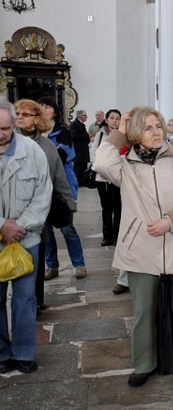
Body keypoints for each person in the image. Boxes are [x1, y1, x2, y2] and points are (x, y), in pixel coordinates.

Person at [93, 106, 173, 387]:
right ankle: (144, 363)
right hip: (141, 247)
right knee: (143, 310)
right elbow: (101, 163)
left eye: (158, 126)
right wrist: (119, 131)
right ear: (135, 135)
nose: (156, 133)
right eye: (147, 128)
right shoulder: (126, 165)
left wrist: (171, 221)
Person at [0, 98, 53, 374]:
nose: (1, 134)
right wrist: (2, 226)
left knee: (25, 298)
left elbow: (43, 193)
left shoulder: (32, 151)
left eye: (6, 128)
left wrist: (19, 226)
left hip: (26, 238)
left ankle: (23, 352)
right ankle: (1, 352)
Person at [14, 99, 76, 312]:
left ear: (38, 119)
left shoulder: (46, 146)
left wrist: (69, 203)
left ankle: (35, 300)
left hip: (37, 213)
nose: (20, 116)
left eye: (26, 113)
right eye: (17, 112)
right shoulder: (7, 142)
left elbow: (58, 177)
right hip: (9, 213)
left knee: (35, 257)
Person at [37, 96, 87, 280]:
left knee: (67, 228)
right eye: (40, 106)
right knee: (46, 230)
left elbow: (61, 156)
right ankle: (52, 266)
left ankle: (79, 264)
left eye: (47, 106)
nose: (43, 109)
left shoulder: (62, 132)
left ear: (55, 111)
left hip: (60, 186)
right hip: (40, 189)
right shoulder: (33, 133)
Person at [90, 109, 123, 248]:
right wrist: (99, 167)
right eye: (112, 118)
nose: (115, 120)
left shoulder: (123, 135)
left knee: (118, 207)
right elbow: (94, 152)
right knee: (106, 207)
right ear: (107, 120)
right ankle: (107, 236)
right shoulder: (100, 134)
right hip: (102, 177)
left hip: (117, 177)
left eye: (117, 118)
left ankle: (117, 235)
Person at [70, 109, 90, 184]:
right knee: (78, 167)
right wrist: (87, 135)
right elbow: (74, 136)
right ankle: (76, 182)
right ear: (80, 116)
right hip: (78, 150)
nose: (86, 117)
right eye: (85, 115)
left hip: (83, 150)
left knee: (83, 167)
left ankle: (82, 181)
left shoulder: (81, 124)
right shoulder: (74, 124)